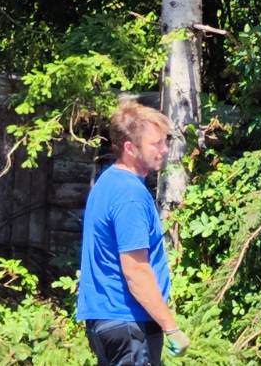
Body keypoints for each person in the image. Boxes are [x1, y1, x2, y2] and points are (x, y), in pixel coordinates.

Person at [77, 100, 190, 364]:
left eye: (165, 142)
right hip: (128, 322)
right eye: (156, 144)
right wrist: (171, 327)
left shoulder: (109, 181)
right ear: (130, 148)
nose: (164, 149)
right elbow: (136, 271)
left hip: (109, 320)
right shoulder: (130, 195)